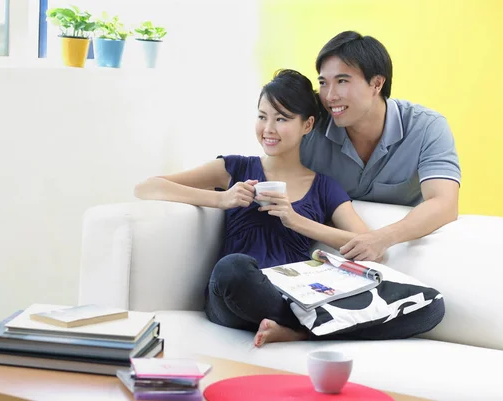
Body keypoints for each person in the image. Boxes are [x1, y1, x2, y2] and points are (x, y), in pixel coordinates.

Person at [134, 70, 444, 346]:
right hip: (234, 296)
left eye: (281, 118)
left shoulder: (325, 187)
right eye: (262, 116)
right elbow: (147, 187)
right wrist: (222, 198)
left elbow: (375, 250)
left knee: (430, 308)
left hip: (294, 296)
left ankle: (298, 328)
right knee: (233, 268)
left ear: (307, 124)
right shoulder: (235, 167)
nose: (268, 128)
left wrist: (295, 220)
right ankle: (309, 328)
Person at [300, 31, 461, 262]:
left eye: (342, 81)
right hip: (321, 256)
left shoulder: (427, 127)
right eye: (324, 83)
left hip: (400, 255)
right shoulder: (310, 127)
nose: (330, 96)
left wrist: (380, 239)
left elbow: (444, 203)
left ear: (376, 83)